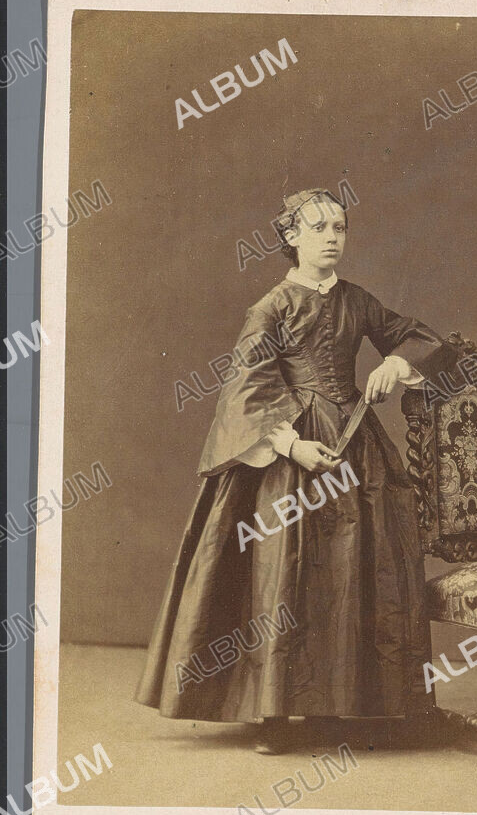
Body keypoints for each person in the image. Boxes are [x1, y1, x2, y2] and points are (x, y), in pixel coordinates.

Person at [136, 187, 459, 753]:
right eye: (319, 229)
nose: (333, 238)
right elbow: (243, 389)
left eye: (340, 228)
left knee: (356, 571)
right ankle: (274, 714)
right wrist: (292, 447)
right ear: (291, 238)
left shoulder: (358, 299)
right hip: (291, 455)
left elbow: (424, 337)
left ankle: (347, 706)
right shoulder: (271, 308)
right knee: (284, 575)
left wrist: (395, 361)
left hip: (357, 449)